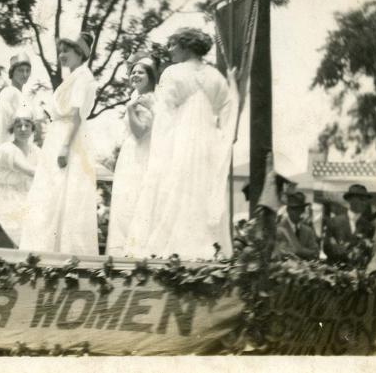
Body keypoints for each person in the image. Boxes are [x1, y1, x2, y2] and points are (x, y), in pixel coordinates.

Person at [125, 28, 238, 259]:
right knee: (200, 191)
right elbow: (227, 110)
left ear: (185, 46)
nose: (169, 50)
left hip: (180, 140)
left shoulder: (172, 73)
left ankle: (170, 249)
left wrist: (149, 107)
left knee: (172, 188)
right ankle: (205, 250)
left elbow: (164, 115)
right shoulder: (217, 77)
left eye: (173, 44)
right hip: (207, 144)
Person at [20, 32, 99, 255]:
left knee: (67, 191)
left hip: (70, 137)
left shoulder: (83, 77)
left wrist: (65, 146)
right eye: (61, 51)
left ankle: (65, 251)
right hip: (59, 134)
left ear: (80, 53)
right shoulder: (74, 76)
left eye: (67, 51)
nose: (62, 55)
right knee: (52, 191)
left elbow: (76, 115)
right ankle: (45, 249)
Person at [106, 54, 159, 256]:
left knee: (136, 200)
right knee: (124, 202)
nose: (135, 75)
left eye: (141, 72)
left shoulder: (149, 99)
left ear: (150, 76)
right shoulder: (134, 98)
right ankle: (122, 251)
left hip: (142, 155)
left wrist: (129, 110)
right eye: (133, 72)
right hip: (129, 155)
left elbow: (140, 132)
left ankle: (136, 251)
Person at [0, 109, 40, 245]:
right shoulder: (6, 149)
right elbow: (30, 171)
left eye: (27, 126)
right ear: (13, 129)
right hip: (3, 195)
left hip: (24, 194)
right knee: (21, 220)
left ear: (32, 129)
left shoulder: (36, 151)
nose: (23, 129)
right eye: (18, 126)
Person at [0, 52, 32, 162]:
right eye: (21, 70)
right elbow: (1, 126)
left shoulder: (24, 96)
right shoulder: (8, 93)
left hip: (23, 147)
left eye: (27, 70)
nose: (25, 74)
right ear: (12, 72)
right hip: (10, 150)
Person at [324, 184, 376, 265]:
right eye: (361, 199)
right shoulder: (334, 222)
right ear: (350, 200)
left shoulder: (369, 227)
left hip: (357, 273)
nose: (364, 203)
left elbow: (369, 252)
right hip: (333, 271)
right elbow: (326, 248)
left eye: (365, 200)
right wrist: (338, 250)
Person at [273, 192, 319, 260]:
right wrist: (305, 251)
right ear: (288, 210)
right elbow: (281, 253)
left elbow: (315, 252)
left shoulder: (308, 230)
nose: (298, 212)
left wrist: (298, 250)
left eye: (301, 209)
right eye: (294, 209)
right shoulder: (279, 229)